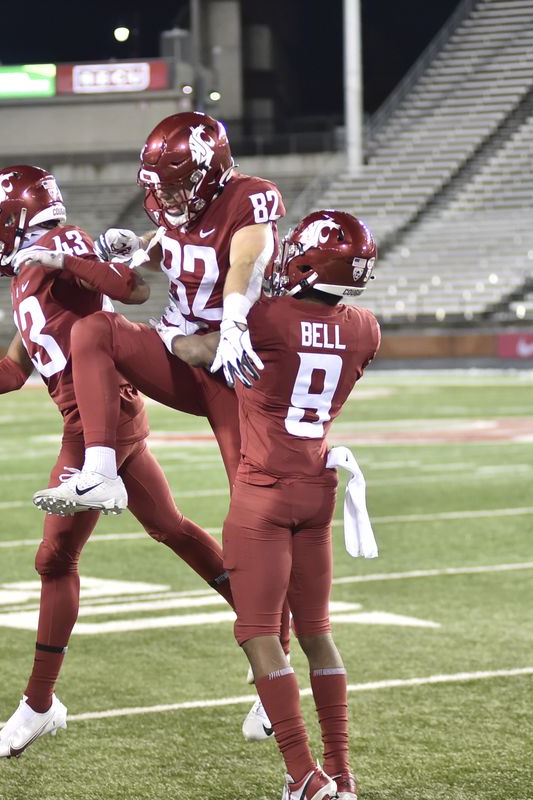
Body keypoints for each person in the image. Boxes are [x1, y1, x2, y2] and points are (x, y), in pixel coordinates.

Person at [0, 165, 235, 759]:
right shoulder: (27, 274)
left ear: (13, 219)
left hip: (99, 424)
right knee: (168, 528)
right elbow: (16, 370)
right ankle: (269, 629)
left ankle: (39, 705)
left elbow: (130, 290)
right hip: (94, 420)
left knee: (55, 555)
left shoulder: (57, 243)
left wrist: (87, 258)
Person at [173, 210, 380, 800]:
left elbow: (194, 350)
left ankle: (301, 775)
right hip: (318, 491)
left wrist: (180, 335)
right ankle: (340, 774)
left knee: (259, 633)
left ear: (308, 259)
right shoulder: (366, 327)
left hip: (263, 491)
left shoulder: (267, 317)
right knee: (317, 633)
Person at [32, 110, 285, 515]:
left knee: (254, 508)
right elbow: (174, 246)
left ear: (209, 172)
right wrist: (136, 246)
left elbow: (246, 264)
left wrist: (235, 321)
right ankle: (100, 473)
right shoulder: (170, 202)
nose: (165, 196)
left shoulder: (249, 197)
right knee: (95, 331)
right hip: (178, 350)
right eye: (160, 186)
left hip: (231, 361)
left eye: (176, 185)